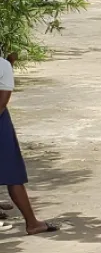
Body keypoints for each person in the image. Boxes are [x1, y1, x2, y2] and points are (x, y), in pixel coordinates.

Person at [0, 53, 59, 235]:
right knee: (13, 174)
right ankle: (32, 223)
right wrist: (9, 64)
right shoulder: (3, 66)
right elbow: (1, 103)